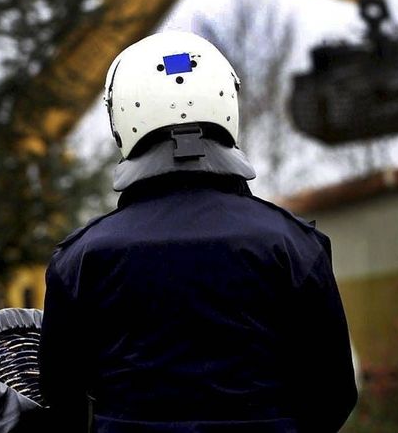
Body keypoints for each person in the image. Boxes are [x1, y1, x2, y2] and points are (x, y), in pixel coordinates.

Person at [39, 31, 357, 432]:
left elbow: (61, 398)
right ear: (227, 104)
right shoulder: (294, 246)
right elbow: (334, 395)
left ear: (121, 116)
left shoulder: (81, 259)